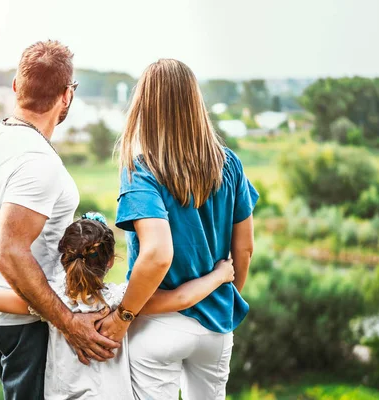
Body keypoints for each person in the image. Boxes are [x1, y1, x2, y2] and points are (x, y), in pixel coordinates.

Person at [96, 59, 259, 399]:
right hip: (215, 325)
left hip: (158, 324)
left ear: (145, 107)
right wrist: (224, 299)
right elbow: (244, 249)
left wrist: (123, 316)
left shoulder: (141, 171)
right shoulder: (229, 164)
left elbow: (157, 255)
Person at [0, 40, 119, 400]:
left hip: (3, 309)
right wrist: (69, 324)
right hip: (27, 323)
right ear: (67, 95)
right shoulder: (39, 163)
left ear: (17, 86)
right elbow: (9, 252)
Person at [0, 212, 236, 399]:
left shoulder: (52, 303)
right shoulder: (119, 302)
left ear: (65, 258)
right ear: (110, 262)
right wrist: (220, 276)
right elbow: (181, 299)